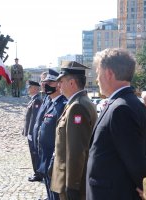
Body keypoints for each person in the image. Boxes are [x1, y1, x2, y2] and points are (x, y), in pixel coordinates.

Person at [87, 48, 146, 200]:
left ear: (108, 73)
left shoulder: (121, 109)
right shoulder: (129, 103)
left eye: (98, 73)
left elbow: (136, 160)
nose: (97, 79)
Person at [50, 61, 98, 200]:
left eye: (61, 81)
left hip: (70, 182)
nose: (59, 85)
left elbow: (77, 150)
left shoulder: (77, 106)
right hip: (68, 179)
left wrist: (72, 186)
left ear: (71, 83)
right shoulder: (78, 102)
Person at [37, 69, 67, 200]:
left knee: (56, 194)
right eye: (44, 82)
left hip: (54, 158)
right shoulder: (51, 103)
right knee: (49, 191)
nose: (46, 84)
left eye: (50, 82)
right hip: (46, 155)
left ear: (58, 84)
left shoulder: (63, 105)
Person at [28, 70, 53, 182]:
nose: (42, 84)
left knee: (46, 165)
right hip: (38, 134)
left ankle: (38, 174)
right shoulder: (45, 99)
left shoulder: (41, 99)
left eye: (45, 81)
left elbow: (35, 119)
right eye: (41, 81)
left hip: (47, 140)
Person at [22, 80, 42, 181]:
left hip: (33, 132)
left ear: (35, 88)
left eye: (30, 87)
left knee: (35, 153)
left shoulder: (37, 100)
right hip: (30, 132)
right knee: (33, 153)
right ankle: (36, 171)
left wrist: (30, 132)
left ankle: (37, 173)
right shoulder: (33, 100)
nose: (28, 89)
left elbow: (34, 118)